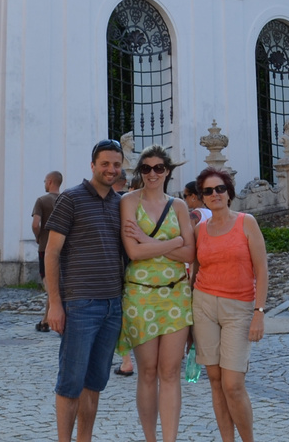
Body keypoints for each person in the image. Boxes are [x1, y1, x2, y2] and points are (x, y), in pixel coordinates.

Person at [43, 139, 129, 442]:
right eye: (105, 163)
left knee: (95, 383)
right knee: (70, 382)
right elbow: (51, 253)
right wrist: (55, 304)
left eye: (116, 164)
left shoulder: (122, 203)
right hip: (80, 304)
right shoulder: (71, 199)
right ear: (93, 165)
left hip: (112, 305)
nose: (111, 169)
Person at [119, 145, 194, 442]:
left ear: (168, 171)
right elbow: (134, 252)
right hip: (140, 296)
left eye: (158, 168)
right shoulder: (129, 201)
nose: (152, 173)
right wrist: (173, 242)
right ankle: (151, 439)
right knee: (148, 372)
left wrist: (150, 241)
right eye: (146, 168)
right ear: (140, 172)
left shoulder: (178, 207)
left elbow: (191, 252)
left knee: (171, 372)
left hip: (176, 295)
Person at [191, 168, 268, 442]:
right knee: (214, 381)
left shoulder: (247, 223)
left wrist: (259, 313)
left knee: (233, 384)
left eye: (220, 188)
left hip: (239, 308)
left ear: (229, 192)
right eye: (208, 191)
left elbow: (262, 270)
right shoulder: (199, 230)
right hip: (203, 307)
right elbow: (194, 271)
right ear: (202, 197)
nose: (215, 195)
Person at [33, 171, 64, 333]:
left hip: (45, 247)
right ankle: (45, 320)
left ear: (50, 181)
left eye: (45, 181)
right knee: (55, 284)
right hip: (63, 248)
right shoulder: (65, 200)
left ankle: (47, 319)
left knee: (49, 285)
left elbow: (35, 224)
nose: (44, 183)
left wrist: (38, 237)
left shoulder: (41, 201)